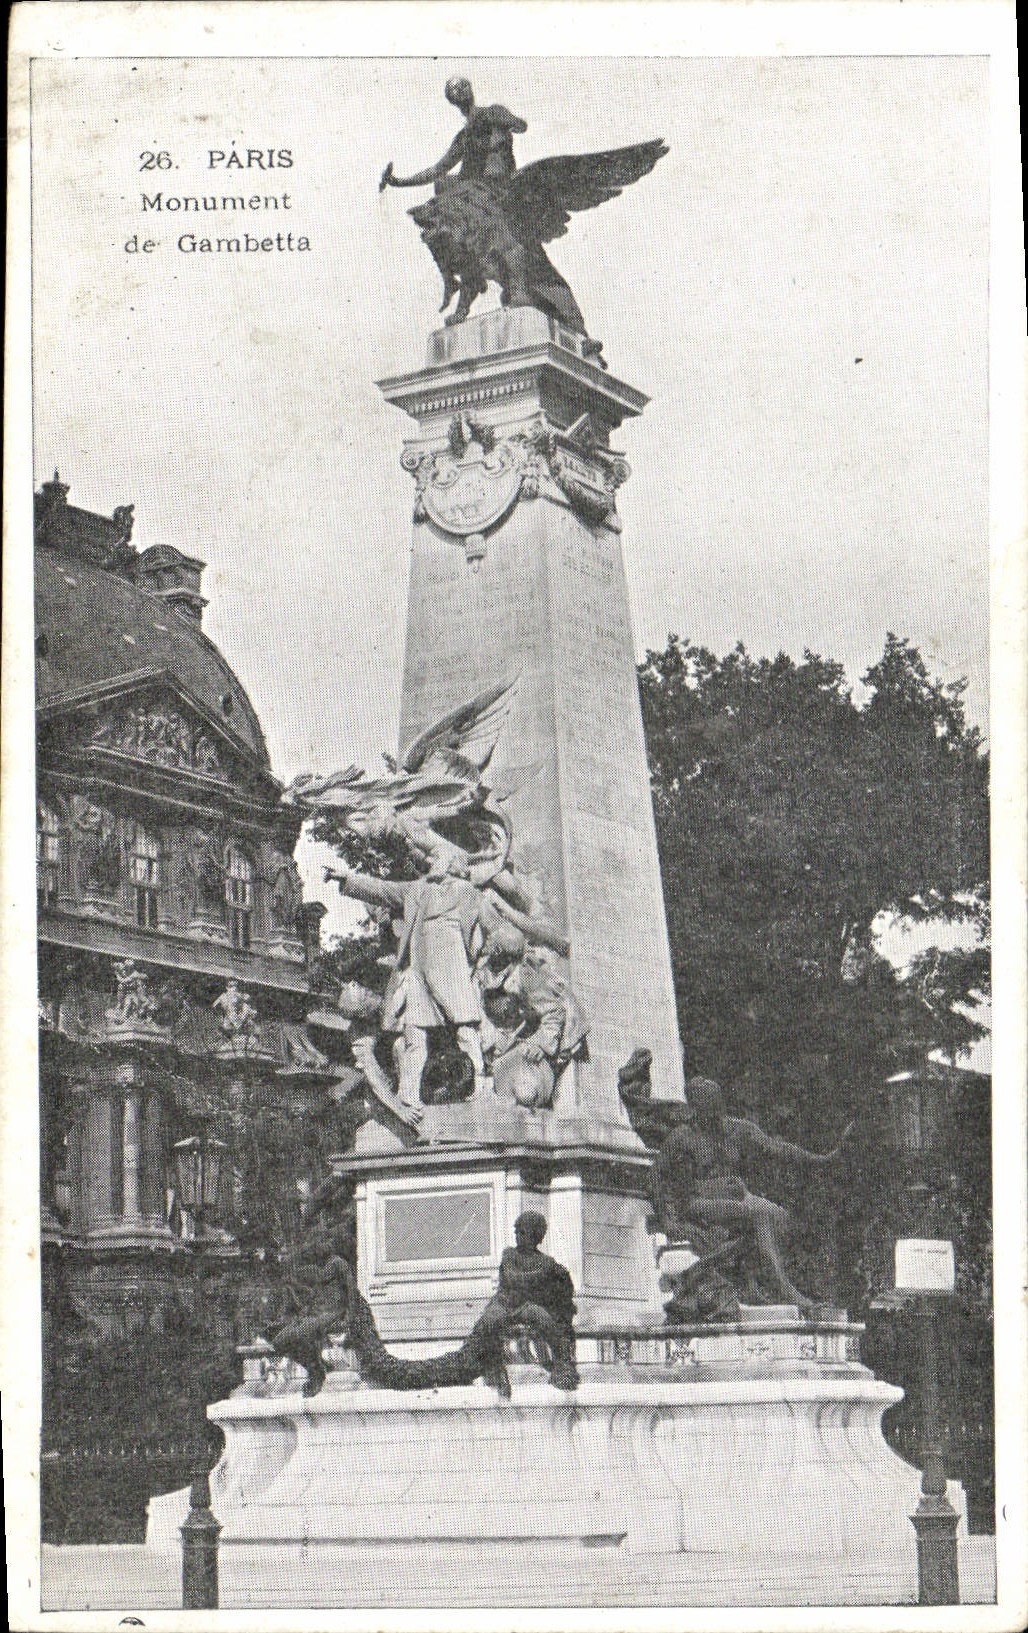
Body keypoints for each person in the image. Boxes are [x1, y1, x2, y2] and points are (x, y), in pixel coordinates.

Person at [654, 1077, 854, 1312]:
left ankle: (757, 1284)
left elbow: (777, 1149)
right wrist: (668, 1220)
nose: (709, 1113)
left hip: (737, 1196)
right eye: (702, 1107)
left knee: (779, 1216)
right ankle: (785, 1290)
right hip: (699, 1201)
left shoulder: (739, 1130)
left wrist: (822, 1159)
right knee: (756, 1215)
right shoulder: (682, 1137)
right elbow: (657, 1177)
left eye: (712, 1106)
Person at [330, 850, 488, 1105]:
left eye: (437, 858)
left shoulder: (466, 891)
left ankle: (480, 1084)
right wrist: (348, 880)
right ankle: (409, 1095)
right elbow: (383, 890)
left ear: (453, 864)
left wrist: (467, 962)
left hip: (452, 966)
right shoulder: (417, 889)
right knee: (416, 1033)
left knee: (465, 1027)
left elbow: (473, 932)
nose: (431, 861)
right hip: (420, 970)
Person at [468, 1211, 579, 1394]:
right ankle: (493, 1368)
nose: (518, 1236)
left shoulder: (546, 1261)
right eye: (517, 1231)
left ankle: (563, 1364)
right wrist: (540, 1276)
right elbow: (512, 1278)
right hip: (505, 1303)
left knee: (548, 1324)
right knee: (487, 1322)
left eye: (523, 1232)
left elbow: (559, 1284)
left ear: (536, 1235)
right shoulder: (510, 1254)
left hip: (528, 1306)